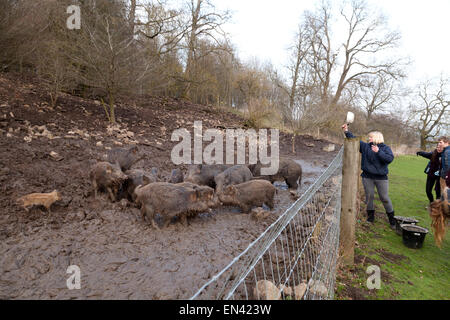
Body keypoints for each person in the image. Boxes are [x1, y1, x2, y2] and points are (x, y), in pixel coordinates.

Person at [342, 124, 396, 228]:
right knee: (369, 197)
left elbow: (389, 159)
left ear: (376, 138)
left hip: (381, 178)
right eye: (369, 137)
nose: (369, 138)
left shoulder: (385, 148)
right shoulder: (365, 146)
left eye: (370, 137)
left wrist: (378, 152)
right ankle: (370, 218)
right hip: (367, 177)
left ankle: (392, 220)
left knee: (384, 198)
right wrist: (346, 131)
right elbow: (354, 139)